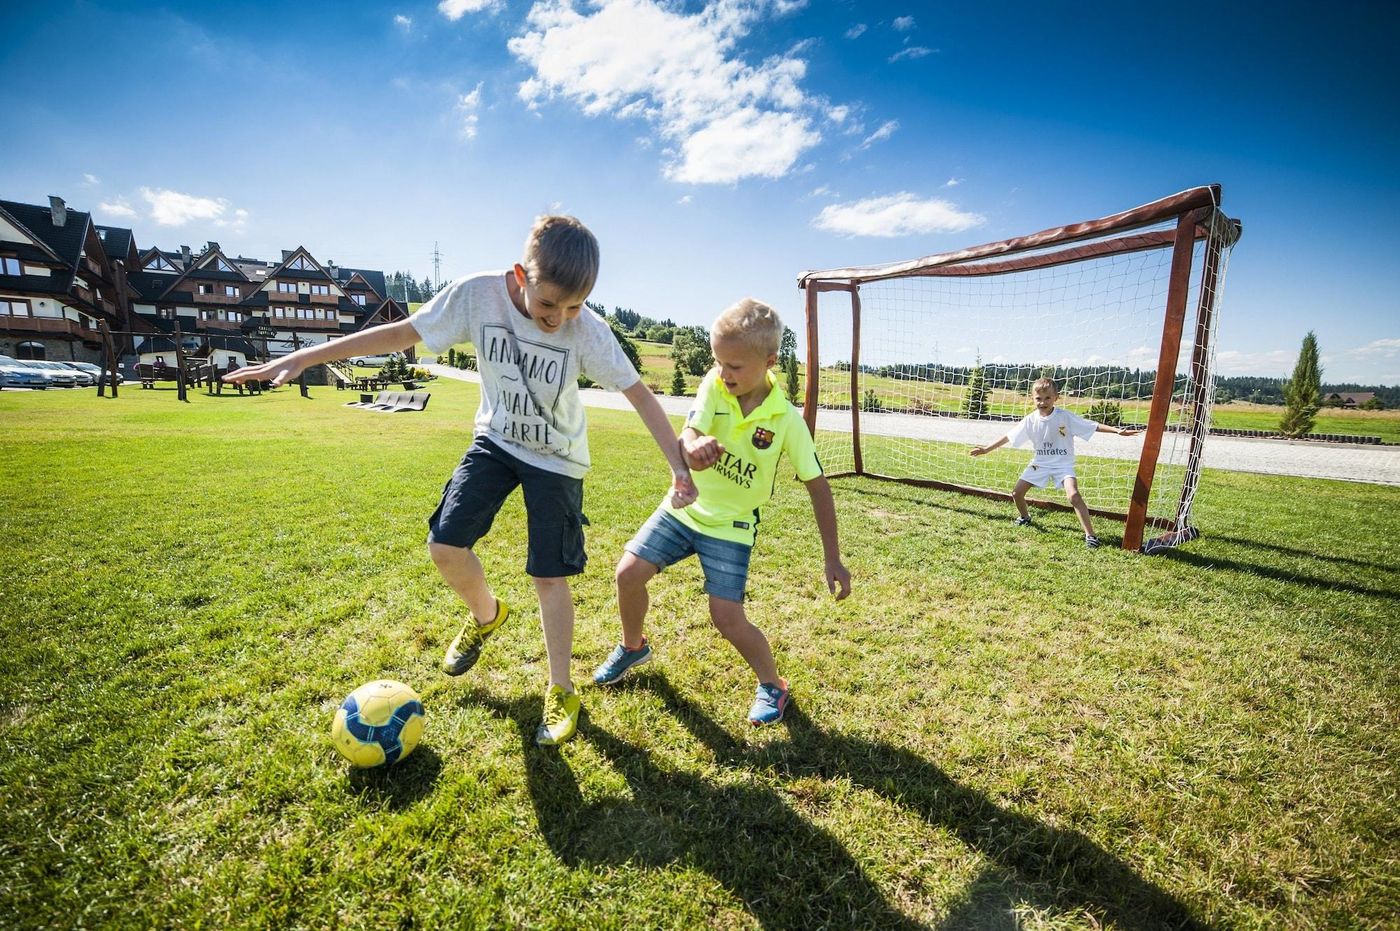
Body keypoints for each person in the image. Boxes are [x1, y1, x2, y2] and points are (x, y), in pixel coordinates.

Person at [225, 215, 696, 746]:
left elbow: (639, 394)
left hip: (558, 458)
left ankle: (560, 688)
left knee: (549, 576)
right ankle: (486, 615)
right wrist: (304, 355)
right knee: (445, 546)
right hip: (495, 441)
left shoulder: (587, 330)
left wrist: (677, 464)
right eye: (548, 306)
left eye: (573, 307)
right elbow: (401, 334)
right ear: (520, 276)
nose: (558, 319)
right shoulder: (477, 296)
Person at [592, 298, 851, 726]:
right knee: (628, 573)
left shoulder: (787, 420)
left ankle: (773, 684)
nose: (723, 373)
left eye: (734, 366)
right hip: (683, 509)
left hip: (731, 526)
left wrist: (832, 557)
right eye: (717, 362)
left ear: (769, 361)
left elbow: (818, 487)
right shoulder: (714, 384)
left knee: (726, 616)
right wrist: (692, 447)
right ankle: (633, 646)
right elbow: (690, 432)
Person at [969, 377, 1141, 548]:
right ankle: (1025, 517)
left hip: (1063, 465)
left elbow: (1092, 425)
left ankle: (1091, 536)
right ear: (1032, 399)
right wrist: (986, 449)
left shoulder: (1064, 417)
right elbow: (1008, 436)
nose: (1042, 402)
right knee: (1016, 493)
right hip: (1039, 463)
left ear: (1056, 398)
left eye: (1047, 398)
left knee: (1073, 495)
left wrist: (1117, 431)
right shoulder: (1030, 420)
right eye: (1038, 398)